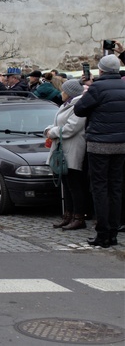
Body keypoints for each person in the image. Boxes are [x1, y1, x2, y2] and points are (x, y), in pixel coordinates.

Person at [73, 54, 125, 248]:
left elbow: (79, 110)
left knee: (100, 188)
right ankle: (113, 232)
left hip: (100, 144)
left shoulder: (98, 87)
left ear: (101, 70)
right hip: (121, 143)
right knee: (116, 187)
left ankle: (103, 233)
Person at [44, 80, 88, 231]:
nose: (60, 93)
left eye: (63, 90)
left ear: (69, 92)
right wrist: (48, 130)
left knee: (75, 185)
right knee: (67, 185)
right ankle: (68, 215)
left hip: (73, 148)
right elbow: (58, 122)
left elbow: (72, 127)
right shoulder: (66, 104)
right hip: (63, 148)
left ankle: (79, 217)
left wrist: (53, 132)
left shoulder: (77, 106)